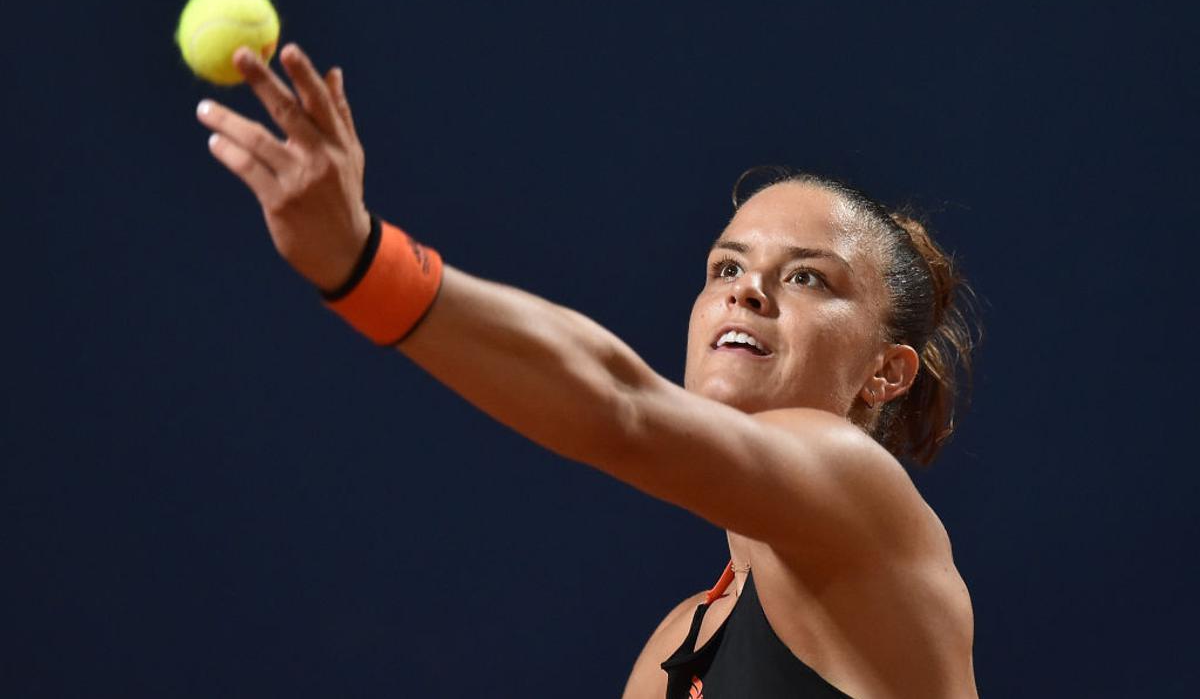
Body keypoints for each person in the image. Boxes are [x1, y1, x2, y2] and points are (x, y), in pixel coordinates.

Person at [195, 43, 981, 698]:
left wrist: (366, 266)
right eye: (724, 267)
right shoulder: (678, 643)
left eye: (808, 277)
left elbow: (621, 409)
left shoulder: (864, 496)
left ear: (887, 371)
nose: (747, 288)